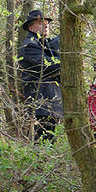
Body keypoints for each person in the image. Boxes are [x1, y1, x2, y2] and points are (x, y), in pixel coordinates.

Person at [18, 9, 62, 140]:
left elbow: (53, 43)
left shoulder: (43, 44)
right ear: (31, 27)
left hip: (50, 103)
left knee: (49, 142)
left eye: (47, 22)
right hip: (42, 103)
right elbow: (48, 65)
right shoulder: (29, 46)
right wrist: (67, 61)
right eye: (40, 22)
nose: (46, 25)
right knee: (44, 142)